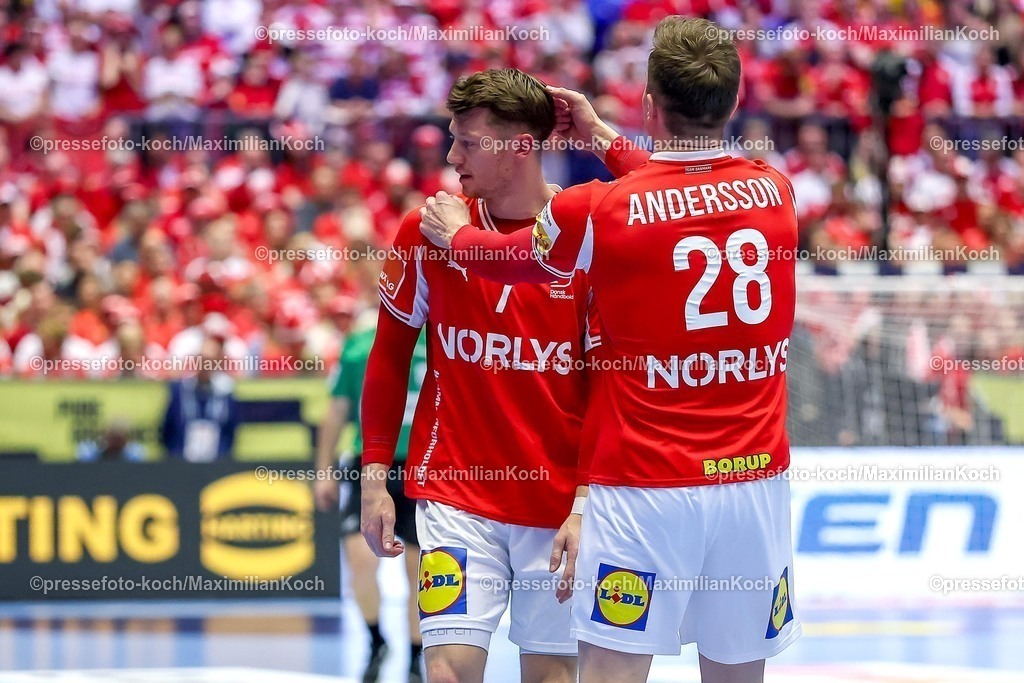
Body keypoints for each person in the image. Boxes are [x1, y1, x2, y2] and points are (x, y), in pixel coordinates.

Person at [419, 17, 801, 683]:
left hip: (649, 482)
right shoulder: (776, 192)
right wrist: (605, 140)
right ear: (735, 103)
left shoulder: (601, 210)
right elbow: (684, 192)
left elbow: (510, 260)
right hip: (754, 478)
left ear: (651, 104)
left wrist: (455, 237)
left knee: (611, 674)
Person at [360, 68, 600, 683]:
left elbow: (612, 385)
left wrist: (585, 499)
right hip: (456, 490)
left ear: (521, 146)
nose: (451, 154)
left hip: (556, 502)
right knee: (446, 672)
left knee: (549, 674)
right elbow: (388, 356)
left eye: (468, 141)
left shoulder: (587, 235)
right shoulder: (424, 229)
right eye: (452, 137)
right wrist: (374, 475)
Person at [313, 317, 428, 683]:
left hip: (421, 462)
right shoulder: (360, 344)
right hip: (370, 463)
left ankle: (414, 654)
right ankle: (377, 639)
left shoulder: (442, 332)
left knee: (419, 567)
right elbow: (337, 409)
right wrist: (324, 469)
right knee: (360, 559)